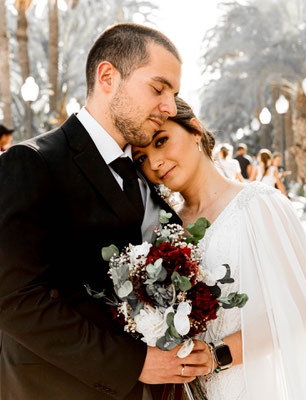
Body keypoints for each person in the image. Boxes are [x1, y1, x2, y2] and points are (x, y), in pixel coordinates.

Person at [0, 24, 211, 400]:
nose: (168, 106)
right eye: (158, 88)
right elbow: (14, 300)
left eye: (174, 94)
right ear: (108, 77)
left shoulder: (146, 177)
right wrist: (135, 363)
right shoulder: (32, 163)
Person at [132, 97, 306, 400]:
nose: (154, 163)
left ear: (194, 130)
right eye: (141, 158)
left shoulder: (259, 205)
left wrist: (218, 356)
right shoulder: (164, 230)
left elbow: (303, 308)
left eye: (162, 141)